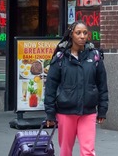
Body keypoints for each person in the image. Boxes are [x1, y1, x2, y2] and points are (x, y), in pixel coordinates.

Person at [44, 21, 109, 156]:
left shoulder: (95, 56)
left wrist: (102, 109)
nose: (82, 36)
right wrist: (50, 112)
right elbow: (51, 85)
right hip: (65, 112)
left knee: (88, 151)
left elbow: (102, 85)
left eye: (85, 33)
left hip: (88, 111)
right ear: (71, 35)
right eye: (78, 33)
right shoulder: (61, 58)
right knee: (65, 150)